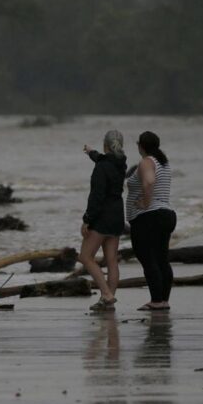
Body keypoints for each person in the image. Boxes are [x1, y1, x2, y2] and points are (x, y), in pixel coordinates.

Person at [126, 131, 176, 311]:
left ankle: (156, 301)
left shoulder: (147, 162)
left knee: (148, 259)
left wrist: (145, 203)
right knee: (162, 259)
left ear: (140, 145)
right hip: (166, 215)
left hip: (149, 217)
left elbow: (148, 182)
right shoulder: (164, 163)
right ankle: (163, 300)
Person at [80, 129, 127, 311]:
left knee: (85, 256)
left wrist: (87, 219)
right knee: (112, 260)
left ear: (105, 145)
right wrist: (91, 153)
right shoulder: (120, 163)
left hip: (102, 216)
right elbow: (103, 159)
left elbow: (97, 196)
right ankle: (109, 300)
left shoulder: (102, 167)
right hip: (117, 215)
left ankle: (106, 294)